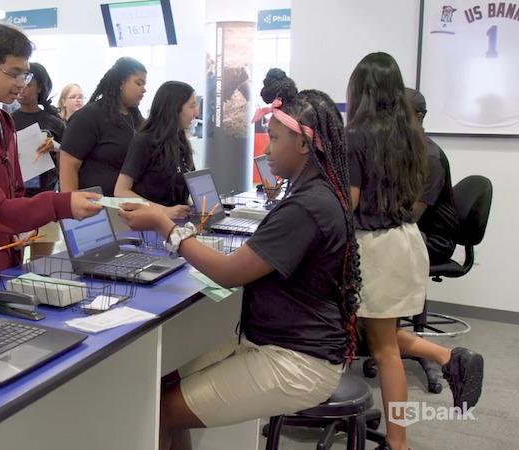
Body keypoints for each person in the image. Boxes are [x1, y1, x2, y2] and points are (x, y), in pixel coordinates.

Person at [119, 69, 360, 450]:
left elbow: (230, 274)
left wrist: (167, 227)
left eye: (275, 139)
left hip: (296, 361)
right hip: (282, 344)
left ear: (303, 145)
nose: (266, 150)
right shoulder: (316, 194)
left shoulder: (307, 207)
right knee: (166, 386)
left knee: (163, 410)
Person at [346, 52, 483, 450]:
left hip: (372, 248)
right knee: (381, 340)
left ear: (361, 89)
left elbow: (350, 204)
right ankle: (442, 363)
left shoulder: (355, 136)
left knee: (378, 344)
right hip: (406, 241)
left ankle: (393, 436)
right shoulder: (415, 140)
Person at [0, 24, 102, 273]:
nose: (21, 84)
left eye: (24, 75)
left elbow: (14, 193)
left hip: (7, 261)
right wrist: (61, 204)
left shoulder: (4, 122)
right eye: (13, 74)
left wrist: (22, 226)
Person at [59, 57, 147, 196]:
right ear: (121, 82)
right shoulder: (88, 116)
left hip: (130, 206)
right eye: (139, 83)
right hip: (98, 207)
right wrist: (71, 211)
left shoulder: (136, 118)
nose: (144, 90)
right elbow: (69, 165)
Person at [114, 80, 196, 219]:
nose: (196, 113)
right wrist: (163, 211)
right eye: (192, 106)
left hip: (177, 225)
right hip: (149, 226)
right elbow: (121, 191)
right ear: (174, 108)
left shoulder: (181, 141)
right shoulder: (144, 141)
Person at [11, 62, 66, 258]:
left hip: (46, 196)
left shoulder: (55, 122)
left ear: (40, 87)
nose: (23, 89)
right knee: (13, 260)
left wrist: (56, 147)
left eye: (29, 84)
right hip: (17, 199)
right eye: (20, 82)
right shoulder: (7, 120)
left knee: (43, 264)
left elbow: (68, 161)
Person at [406, 87, 459, 265]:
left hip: (434, 241)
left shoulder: (429, 158)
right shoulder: (403, 151)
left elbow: (412, 215)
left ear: (419, 117)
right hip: (412, 231)